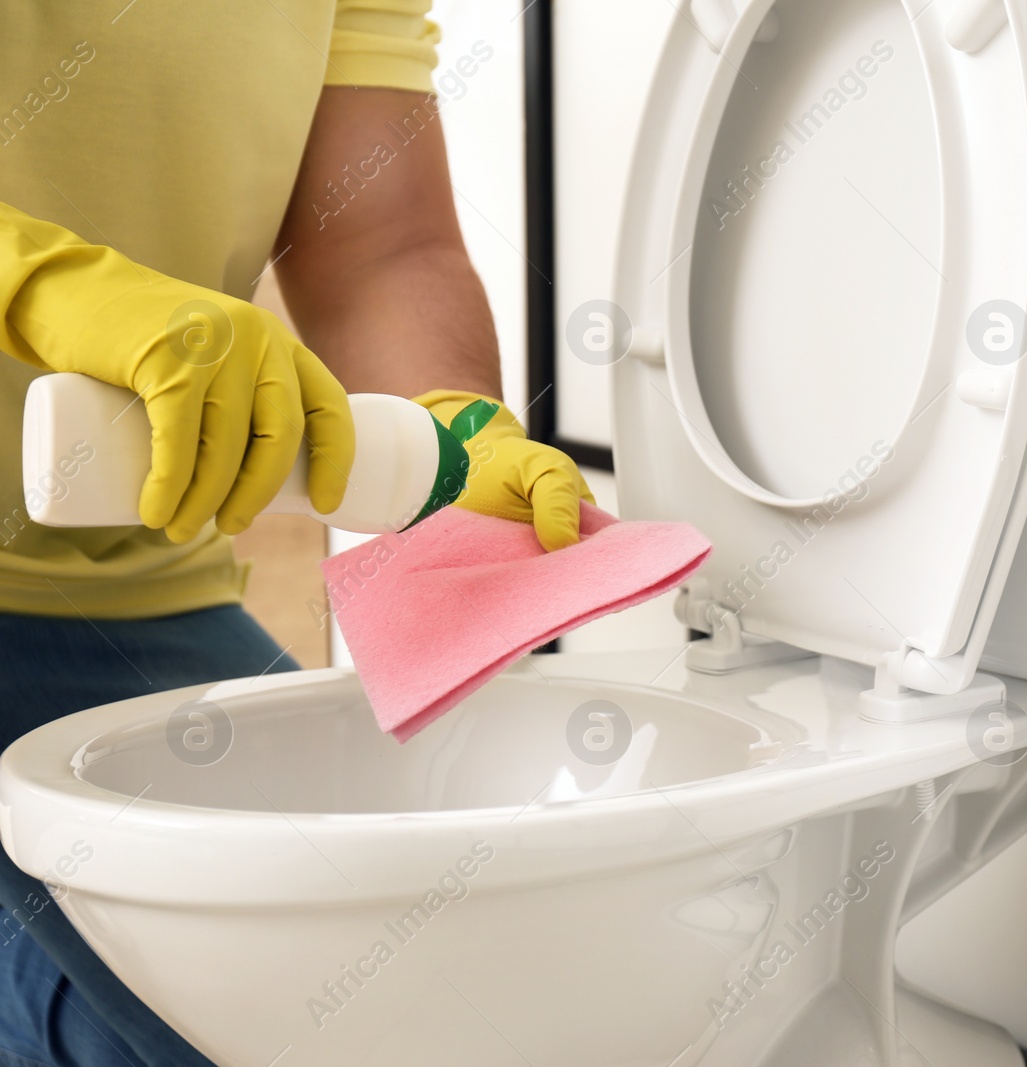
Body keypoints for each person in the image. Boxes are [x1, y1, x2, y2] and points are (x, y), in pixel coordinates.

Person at [0, 3, 589, 1063]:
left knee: (397, 987)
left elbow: (379, 244)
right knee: (146, 1031)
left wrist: (451, 424)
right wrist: (41, 282)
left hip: (138, 575)